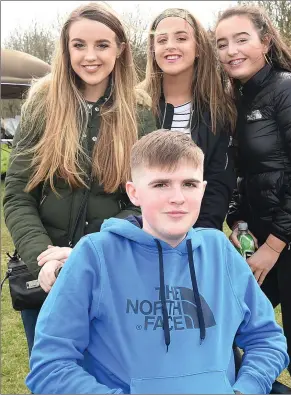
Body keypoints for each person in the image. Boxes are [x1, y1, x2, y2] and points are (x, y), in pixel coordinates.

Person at [26, 130, 289, 394]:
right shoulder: (95, 256)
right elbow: (50, 366)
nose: (178, 197)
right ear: (134, 193)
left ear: (203, 189)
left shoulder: (220, 252)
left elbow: (267, 339)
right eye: (161, 184)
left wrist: (246, 388)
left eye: (189, 184)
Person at [3, 2, 155, 356]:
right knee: (54, 378)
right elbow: (18, 194)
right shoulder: (42, 103)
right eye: (79, 45)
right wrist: (47, 259)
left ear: (120, 49)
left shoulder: (142, 112)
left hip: (112, 272)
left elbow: (145, 201)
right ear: (66, 48)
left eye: (102, 45)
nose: (90, 56)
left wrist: (84, 253)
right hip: (47, 279)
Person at [215, 5, 291, 394]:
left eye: (241, 39)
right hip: (263, 246)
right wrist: (238, 222)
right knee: (222, 336)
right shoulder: (234, 100)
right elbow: (238, 174)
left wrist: (273, 245)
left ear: (265, 42)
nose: (231, 50)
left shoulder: (288, 87)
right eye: (222, 43)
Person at [140, 8, 237, 230]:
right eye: (162, 40)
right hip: (138, 236)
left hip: (193, 238)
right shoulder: (136, 106)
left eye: (181, 38)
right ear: (153, 50)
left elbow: (217, 185)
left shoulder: (219, 111)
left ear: (199, 48)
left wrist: (197, 238)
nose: (170, 46)